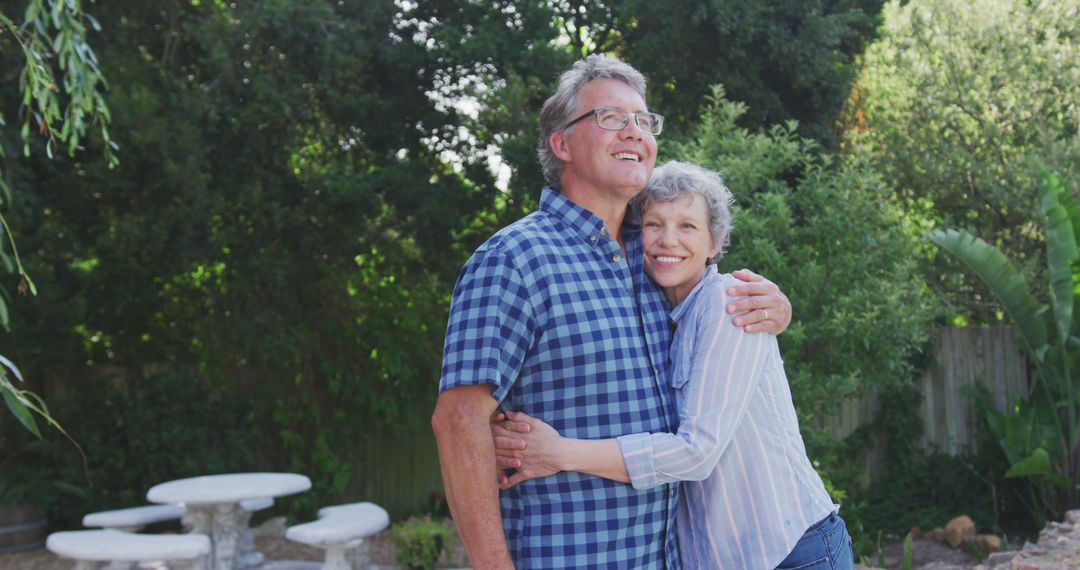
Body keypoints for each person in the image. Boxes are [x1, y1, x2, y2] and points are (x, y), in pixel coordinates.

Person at [431, 55, 792, 569]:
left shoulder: (656, 258)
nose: (634, 131)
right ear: (562, 145)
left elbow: (720, 315)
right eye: (611, 117)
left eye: (643, 120)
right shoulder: (514, 260)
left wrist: (776, 307)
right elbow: (459, 421)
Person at [492, 161, 854, 569]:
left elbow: (697, 453)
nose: (668, 240)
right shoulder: (659, 314)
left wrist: (559, 452)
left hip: (791, 552)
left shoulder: (730, 304)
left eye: (687, 226)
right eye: (654, 224)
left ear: (714, 243)